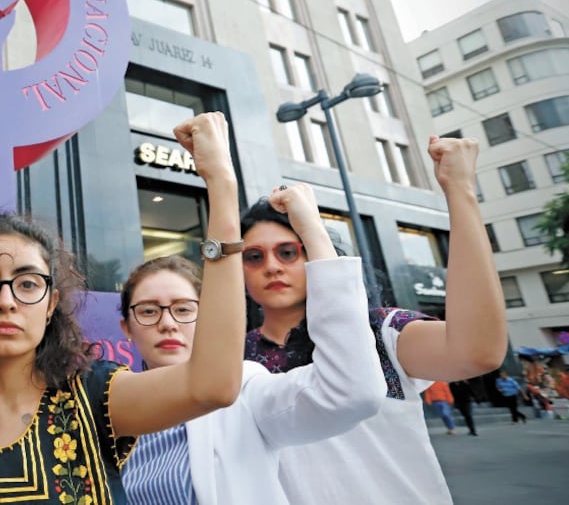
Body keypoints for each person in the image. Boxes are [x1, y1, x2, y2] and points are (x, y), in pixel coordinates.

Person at [0, 112, 246, 504]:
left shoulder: (98, 398)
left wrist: (222, 187)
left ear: (51, 303)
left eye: (27, 284)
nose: (6, 301)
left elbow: (215, 386)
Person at [245, 135, 506, 505]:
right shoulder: (235, 359)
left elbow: (478, 351)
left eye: (288, 252)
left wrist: (460, 192)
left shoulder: (380, 332)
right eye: (254, 257)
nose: (271, 266)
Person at [119, 183, 385, 505]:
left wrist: (311, 230)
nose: (168, 323)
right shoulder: (102, 404)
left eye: (184, 309)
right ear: (126, 327)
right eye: (148, 311)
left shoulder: (244, 389)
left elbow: (351, 392)